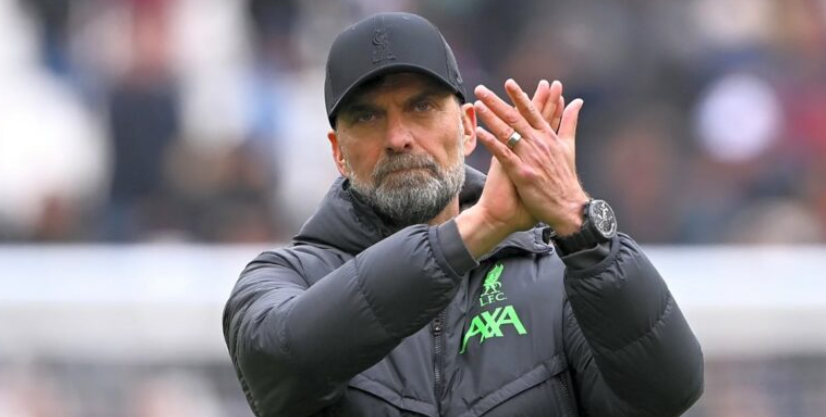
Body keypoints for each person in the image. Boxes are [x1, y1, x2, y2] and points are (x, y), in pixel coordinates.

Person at [223, 12, 703, 417]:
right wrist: (479, 229)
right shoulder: (285, 278)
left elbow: (667, 392)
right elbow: (281, 361)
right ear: (338, 153)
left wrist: (583, 229)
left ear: (469, 129)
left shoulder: (563, 276)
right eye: (367, 116)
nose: (398, 137)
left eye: (421, 107)